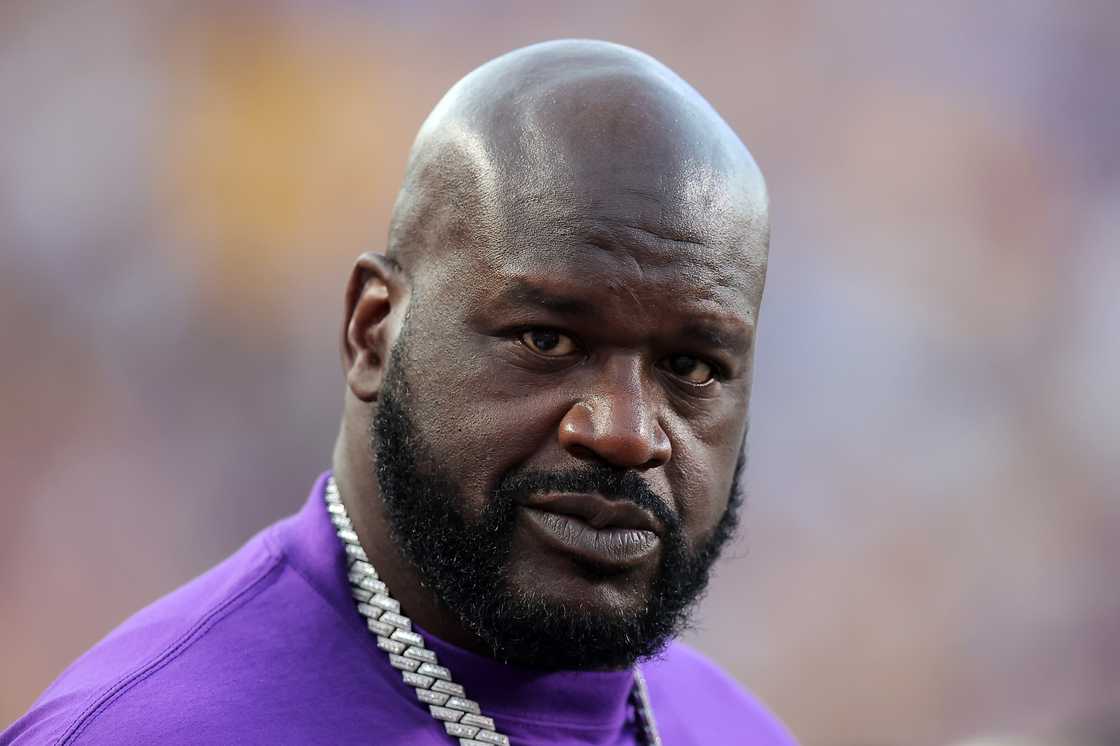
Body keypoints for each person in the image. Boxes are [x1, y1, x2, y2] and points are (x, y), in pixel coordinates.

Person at [3, 39, 794, 745]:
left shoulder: (738, 730)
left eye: (692, 367)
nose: (626, 433)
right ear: (372, 331)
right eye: (547, 340)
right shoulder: (141, 730)